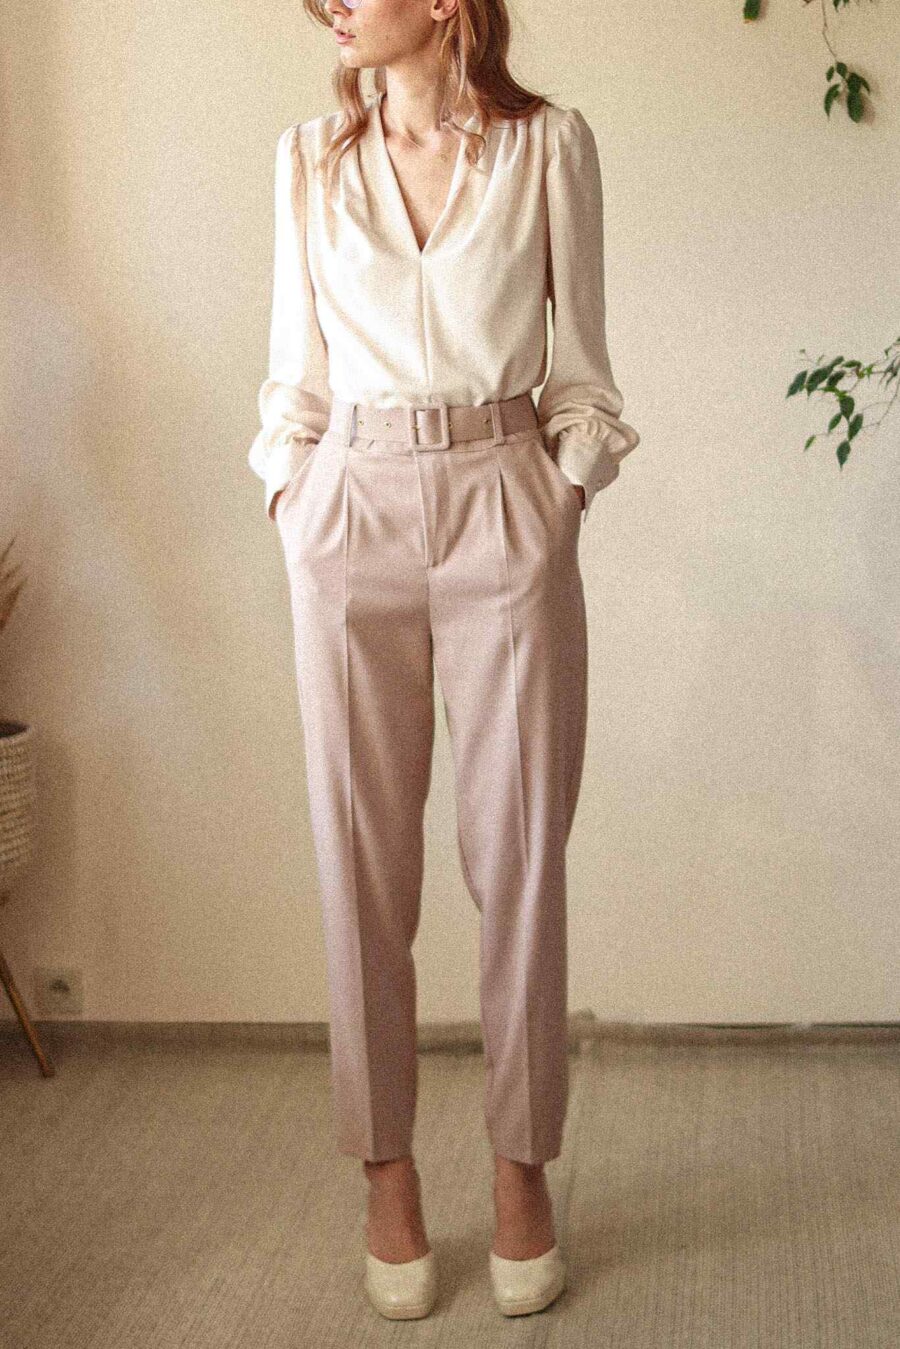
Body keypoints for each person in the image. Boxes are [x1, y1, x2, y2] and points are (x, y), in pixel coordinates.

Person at [248, 0, 640, 1321]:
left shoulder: (549, 147)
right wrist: (292, 497)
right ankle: (389, 1174)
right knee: (360, 859)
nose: (332, 5)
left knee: (519, 853)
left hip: (502, 498)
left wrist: (559, 496)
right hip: (348, 509)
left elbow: (584, 367)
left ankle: (522, 1171)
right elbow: (293, 377)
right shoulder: (309, 160)